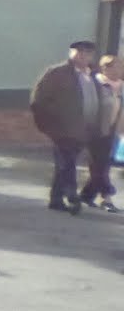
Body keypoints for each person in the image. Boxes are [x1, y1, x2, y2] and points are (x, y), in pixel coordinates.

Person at [31, 40, 101, 215]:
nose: (83, 56)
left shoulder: (92, 75)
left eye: (87, 53)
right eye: (79, 52)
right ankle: (72, 195)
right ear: (71, 53)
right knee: (67, 162)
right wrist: (48, 125)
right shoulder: (57, 73)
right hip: (62, 129)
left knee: (64, 164)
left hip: (85, 130)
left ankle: (56, 199)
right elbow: (38, 100)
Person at [81, 52, 123, 212]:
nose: (120, 70)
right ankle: (107, 198)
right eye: (116, 67)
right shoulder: (96, 84)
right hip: (96, 131)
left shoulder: (121, 86)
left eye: (121, 67)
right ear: (105, 68)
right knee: (101, 166)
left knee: (101, 166)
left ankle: (86, 195)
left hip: (115, 132)